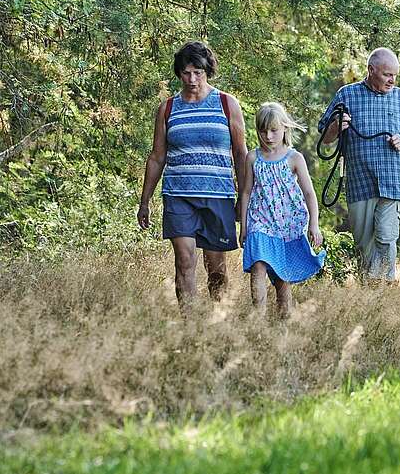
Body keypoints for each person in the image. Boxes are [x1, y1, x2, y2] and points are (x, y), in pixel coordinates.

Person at [137, 41, 247, 311]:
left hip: (217, 195)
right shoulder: (167, 109)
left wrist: (244, 201)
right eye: (186, 73)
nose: (192, 79)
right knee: (184, 262)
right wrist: (145, 200)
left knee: (216, 269)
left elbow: (241, 154)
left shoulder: (226, 103)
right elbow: (157, 156)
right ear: (179, 74)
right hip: (179, 195)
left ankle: (216, 318)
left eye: (198, 72)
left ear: (207, 71)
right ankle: (189, 325)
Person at [317, 47, 400, 282]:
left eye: (395, 75)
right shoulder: (347, 95)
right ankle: (369, 293)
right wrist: (336, 126)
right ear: (371, 70)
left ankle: (385, 287)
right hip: (360, 183)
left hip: (392, 183)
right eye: (386, 74)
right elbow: (324, 139)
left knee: (386, 236)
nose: (392, 80)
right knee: (364, 245)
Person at [238, 102, 325, 317]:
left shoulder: (294, 158)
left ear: (285, 128)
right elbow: (246, 192)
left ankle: (283, 325)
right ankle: (257, 320)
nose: (268, 136)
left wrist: (314, 224)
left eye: (274, 130)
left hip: (287, 225)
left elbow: (309, 194)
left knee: (281, 280)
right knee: (258, 266)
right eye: (263, 131)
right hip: (260, 221)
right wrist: (244, 226)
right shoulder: (253, 158)